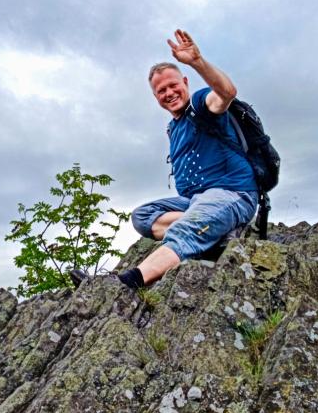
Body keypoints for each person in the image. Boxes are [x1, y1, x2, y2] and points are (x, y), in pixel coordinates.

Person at [72, 29, 259, 290]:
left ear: (185, 82)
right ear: (155, 96)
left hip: (232, 194)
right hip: (194, 201)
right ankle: (216, 231)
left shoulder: (201, 107)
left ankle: (127, 282)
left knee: (189, 225)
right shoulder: (174, 128)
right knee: (142, 216)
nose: (169, 93)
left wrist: (197, 62)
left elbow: (226, 92)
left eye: (173, 86)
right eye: (161, 90)